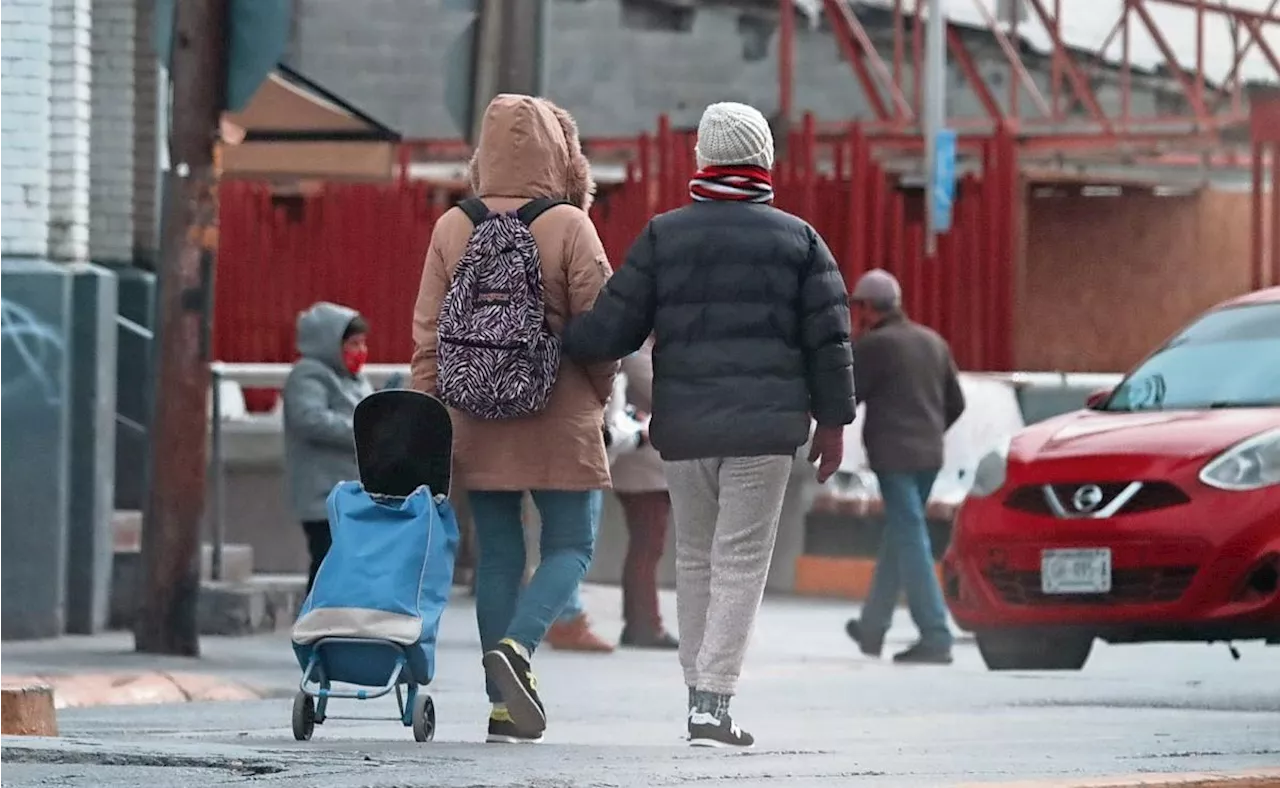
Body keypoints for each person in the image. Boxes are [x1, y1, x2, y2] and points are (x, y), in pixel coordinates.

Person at [562, 101, 854, 748]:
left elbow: (612, 329)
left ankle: (699, 694)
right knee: (741, 560)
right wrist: (833, 426)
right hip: (766, 430)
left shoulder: (666, 236)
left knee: (694, 557)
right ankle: (713, 702)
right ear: (764, 161)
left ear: (703, 160)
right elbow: (829, 342)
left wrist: (552, 335)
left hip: (686, 427)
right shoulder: (799, 240)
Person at [410, 94, 615, 745]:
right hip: (560, 412)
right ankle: (520, 650)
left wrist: (431, 417)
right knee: (571, 546)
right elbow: (603, 326)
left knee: (498, 555)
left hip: (473, 416)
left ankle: (502, 706)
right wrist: (599, 394)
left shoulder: (452, 226)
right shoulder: (570, 225)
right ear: (560, 152)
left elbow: (426, 335)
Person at [843, 269, 966, 666]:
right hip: (930, 456)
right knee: (900, 536)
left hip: (894, 459)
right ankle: (872, 627)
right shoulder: (933, 341)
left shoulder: (875, 345)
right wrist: (930, 431)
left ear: (865, 308)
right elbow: (956, 403)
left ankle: (935, 634)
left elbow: (847, 397)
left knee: (911, 539)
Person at [281, 302, 373, 594]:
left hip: (349, 492)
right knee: (327, 563)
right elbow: (310, 419)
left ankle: (331, 627)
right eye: (353, 344)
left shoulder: (355, 380)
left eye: (362, 343)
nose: (360, 351)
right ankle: (316, 628)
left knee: (344, 566)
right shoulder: (309, 374)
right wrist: (363, 430)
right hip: (322, 494)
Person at [611, 338, 678, 649]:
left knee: (648, 544)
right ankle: (645, 624)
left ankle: (639, 622)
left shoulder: (649, 346)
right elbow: (661, 392)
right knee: (648, 544)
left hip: (647, 463)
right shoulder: (636, 349)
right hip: (642, 464)